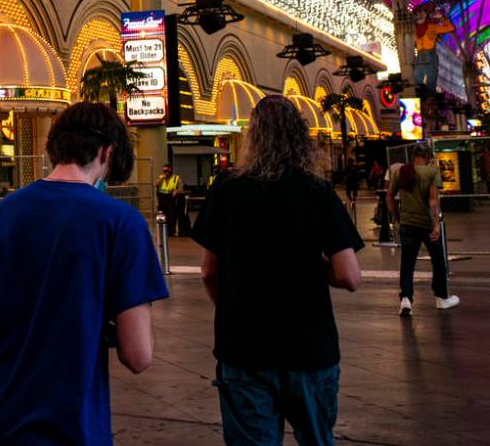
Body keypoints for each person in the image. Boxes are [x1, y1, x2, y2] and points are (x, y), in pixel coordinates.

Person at [0, 101, 169, 445]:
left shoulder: (5, 212)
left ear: (53, 148)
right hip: (77, 426)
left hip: (9, 420)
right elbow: (138, 355)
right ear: (107, 153)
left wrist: (9, 386)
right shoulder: (122, 222)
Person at [193, 95, 362, 446]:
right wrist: (317, 267)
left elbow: (209, 272)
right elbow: (349, 275)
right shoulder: (317, 191)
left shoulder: (227, 188)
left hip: (243, 347)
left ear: (252, 137)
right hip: (309, 348)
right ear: (300, 137)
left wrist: (230, 306)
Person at [386, 144, 460, 316]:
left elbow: (389, 198)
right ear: (427, 157)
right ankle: (441, 297)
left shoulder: (400, 172)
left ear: (413, 157)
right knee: (438, 260)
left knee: (407, 263)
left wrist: (397, 219)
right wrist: (436, 224)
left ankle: (406, 300)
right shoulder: (431, 173)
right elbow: (433, 200)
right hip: (426, 224)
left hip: (407, 225)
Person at [157, 164, 182, 236]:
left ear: (170, 170)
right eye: (164, 171)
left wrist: (176, 191)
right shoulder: (161, 177)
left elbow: (181, 188)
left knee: (172, 215)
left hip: (171, 198)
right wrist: (161, 178)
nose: (165, 172)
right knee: (163, 216)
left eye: (166, 170)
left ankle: (171, 231)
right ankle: (163, 231)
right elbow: (156, 184)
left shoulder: (176, 178)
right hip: (162, 198)